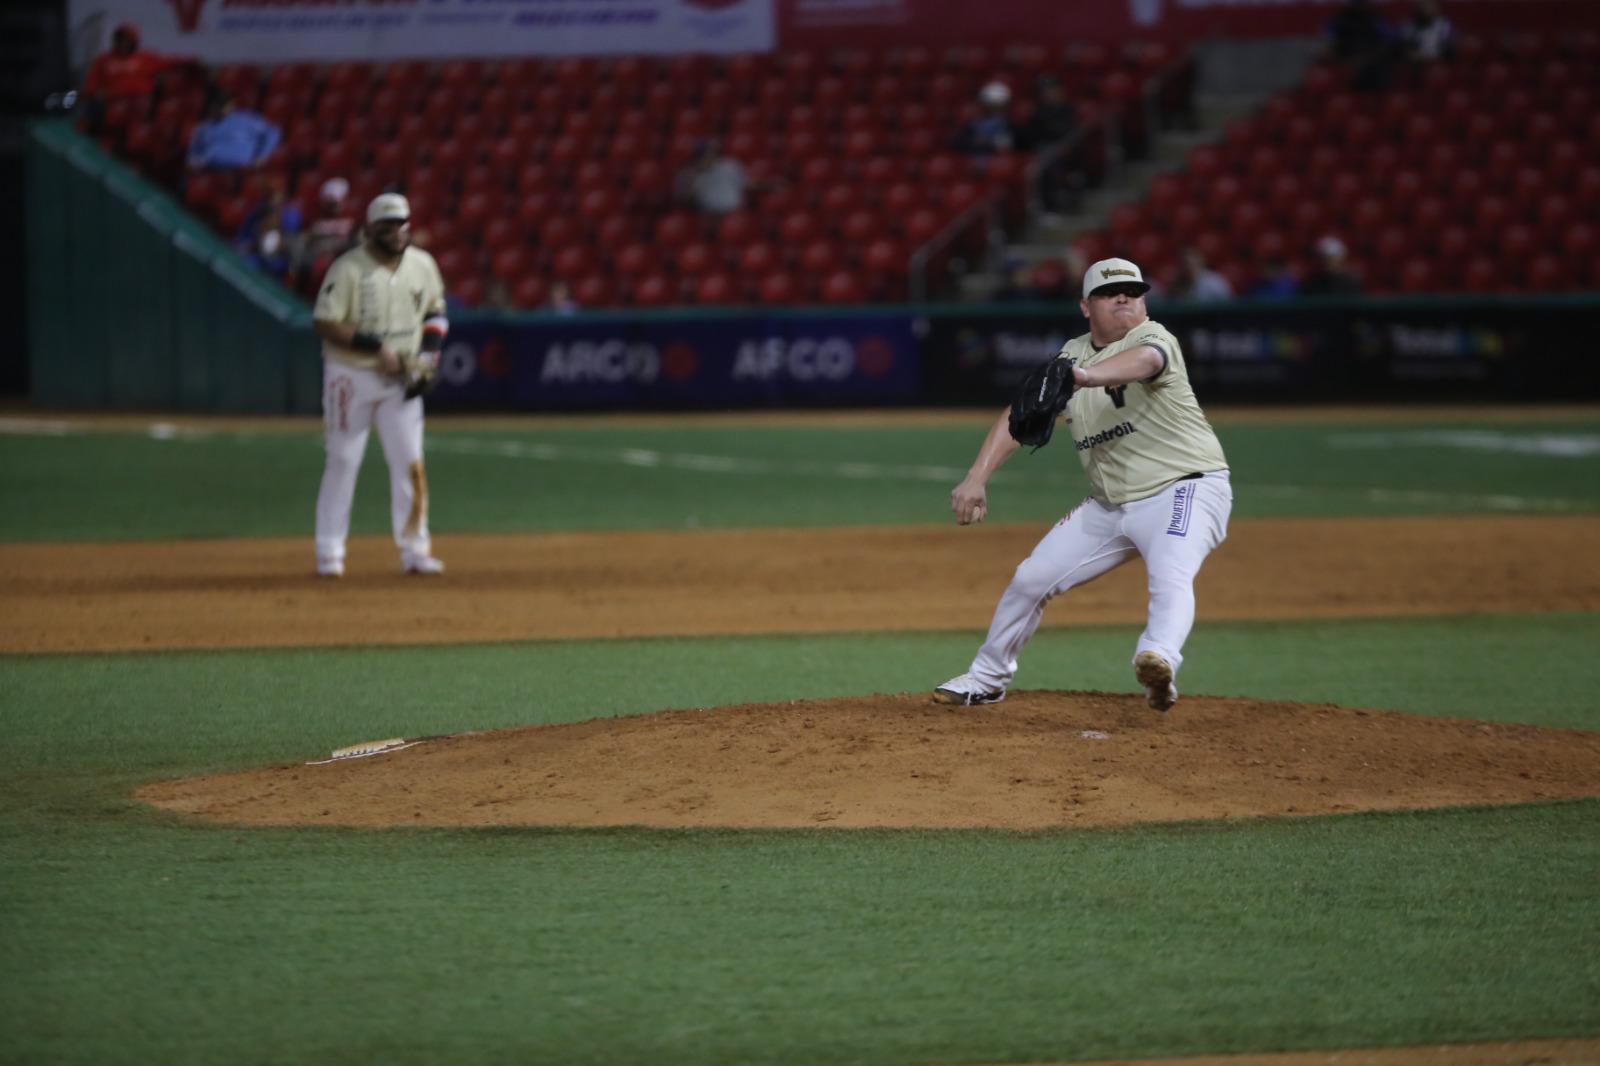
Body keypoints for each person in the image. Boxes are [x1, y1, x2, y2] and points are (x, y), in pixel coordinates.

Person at [934, 257, 1232, 713]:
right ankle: (986, 679)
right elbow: (1021, 418)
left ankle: (1158, 658)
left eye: (1133, 292)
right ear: (1085, 306)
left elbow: (1146, 362)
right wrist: (977, 477)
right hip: (1110, 505)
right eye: (1110, 293)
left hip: (1185, 487)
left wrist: (1086, 377)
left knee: (1170, 572)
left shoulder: (1152, 338)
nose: (1124, 299)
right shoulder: (1070, 356)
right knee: (1030, 580)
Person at [311, 193, 449, 577]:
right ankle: (330, 552)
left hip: (400, 379)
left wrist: (429, 359)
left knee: (409, 463)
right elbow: (324, 322)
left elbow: (436, 312)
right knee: (342, 459)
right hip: (351, 375)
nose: (395, 232)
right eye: (386, 226)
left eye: (401, 224)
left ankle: (415, 549)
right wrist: (377, 347)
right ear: (370, 229)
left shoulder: (423, 265)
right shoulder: (348, 268)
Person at [81, 23, 191, 127]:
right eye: (121, 39)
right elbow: (91, 83)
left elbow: (171, 61)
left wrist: (192, 61)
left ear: (133, 41)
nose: (124, 43)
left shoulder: (145, 58)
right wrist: (94, 92)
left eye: (127, 40)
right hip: (111, 102)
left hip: (140, 104)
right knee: (90, 111)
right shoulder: (104, 60)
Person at [186, 91, 281, 171]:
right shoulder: (203, 127)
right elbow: (194, 151)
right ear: (212, 106)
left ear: (232, 105)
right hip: (210, 170)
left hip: (242, 171)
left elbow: (272, 132)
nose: (223, 108)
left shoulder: (247, 120)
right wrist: (193, 162)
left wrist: (261, 156)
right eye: (219, 104)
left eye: (226, 104)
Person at [674, 139, 750, 216]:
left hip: (735, 212)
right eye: (705, 155)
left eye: (712, 153)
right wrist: (694, 178)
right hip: (708, 214)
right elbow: (684, 201)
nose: (709, 157)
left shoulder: (730, 165)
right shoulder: (687, 174)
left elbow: (745, 185)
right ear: (697, 158)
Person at [303, 177, 357, 263]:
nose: (331, 208)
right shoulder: (315, 220)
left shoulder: (352, 219)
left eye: (334, 204)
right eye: (328, 204)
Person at [954, 80, 1016, 156]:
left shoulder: (1011, 126)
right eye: (992, 106)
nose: (995, 110)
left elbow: (1017, 145)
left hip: (1002, 162)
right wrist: (975, 142)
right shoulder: (974, 124)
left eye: (999, 106)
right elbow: (957, 142)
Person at [1300, 236, 1364, 295]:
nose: (1327, 262)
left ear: (1341, 259)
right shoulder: (1313, 284)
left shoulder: (1352, 284)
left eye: (1331, 258)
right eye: (1324, 258)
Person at [1165, 247, 1233, 302]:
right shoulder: (1177, 284)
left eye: (1190, 262)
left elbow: (1227, 305)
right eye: (1184, 263)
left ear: (1200, 261)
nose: (1188, 266)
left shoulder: (1214, 281)